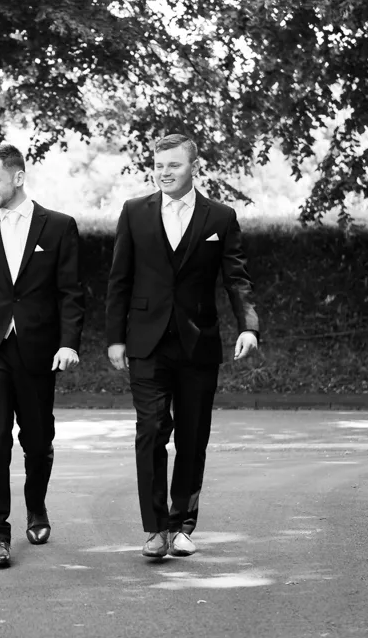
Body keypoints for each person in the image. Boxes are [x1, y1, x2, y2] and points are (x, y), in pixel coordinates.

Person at [105, 134, 259, 559]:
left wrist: (248, 326)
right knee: (151, 430)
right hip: (146, 343)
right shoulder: (135, 212)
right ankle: (154, 529)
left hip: (198, 344)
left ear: (194, 166)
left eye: (174, 164)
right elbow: (119, 279)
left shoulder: (220, 217)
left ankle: (182, 524)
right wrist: (115, 337)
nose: (165, 171)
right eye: (159, 164)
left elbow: (236, 278)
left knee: (193, 438)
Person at [0, 143, 85, 569]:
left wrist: (69, 342)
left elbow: (71, 293)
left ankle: (36, 505)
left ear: (18, 177)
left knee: (38, 441)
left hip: (39, 350)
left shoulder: (59, 227)